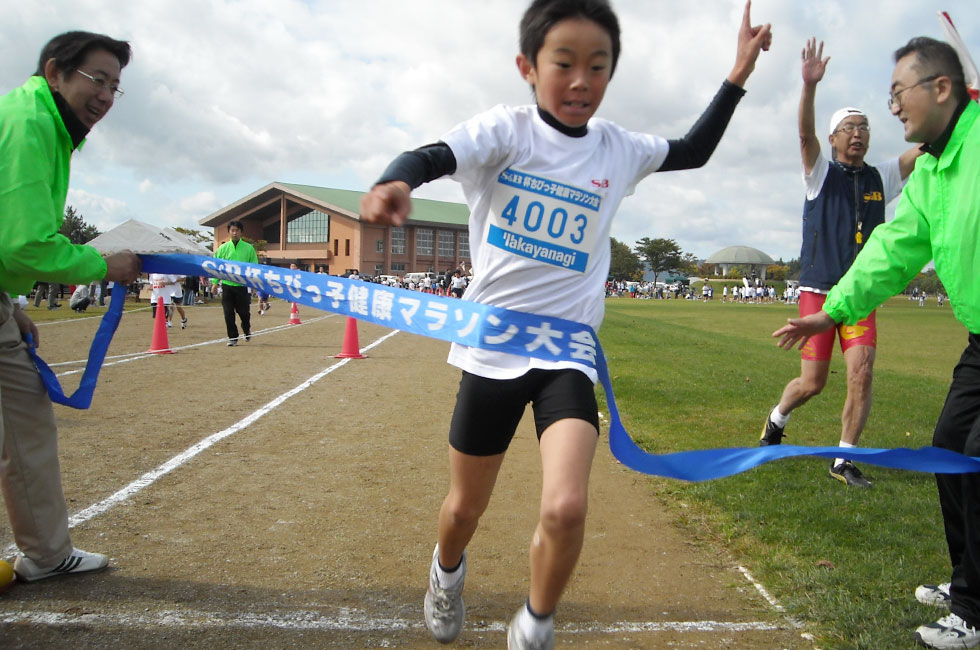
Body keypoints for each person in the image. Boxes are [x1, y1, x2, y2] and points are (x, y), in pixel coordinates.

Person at [359, 1, 770, 646]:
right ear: (529, 66)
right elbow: (431, 154)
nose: (582, 80)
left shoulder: (619, 149)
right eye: (565, 63)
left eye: (598, 66)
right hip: (491, 351)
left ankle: (537, 621)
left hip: (567, 352)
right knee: (465, 507)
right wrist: (394, 181)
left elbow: (691, 150)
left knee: (567, 506)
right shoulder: (507, 132)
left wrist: (738, 74)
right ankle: (446, 571)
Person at [773, 36, 979, 648]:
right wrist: (831, 309)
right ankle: (967, 578)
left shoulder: (923, 163)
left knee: (971, 450)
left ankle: (974, 606)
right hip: (958, 331)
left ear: (943, 88)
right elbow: (893, 250)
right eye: (873, 107)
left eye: (897, 95)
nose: (888, 113)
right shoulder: (926, 171)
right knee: (948, 446)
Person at [0, 31, 141, 582]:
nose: (106, 95)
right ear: (55, 71)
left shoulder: (50, 125)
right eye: (96, 80)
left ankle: (48, 552)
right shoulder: (30, 122)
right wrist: (102, 264)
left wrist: (9, 304)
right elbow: (24, 244)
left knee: (27, 420)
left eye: (115, 86)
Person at [759, 38, 923, 488]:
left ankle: (843, 459)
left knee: (863, 370)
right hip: (817, 291)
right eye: (850, 127)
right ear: (833, 139)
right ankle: (776, 418)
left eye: (865, 127)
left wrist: (959, 112)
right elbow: (803, 135)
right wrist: (809, 87)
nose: (859, 133)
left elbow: (925, 148)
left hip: (860, 296)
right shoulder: (819, 172)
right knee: (812, 384)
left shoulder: (881, 176)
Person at [212, 220, 257, 346]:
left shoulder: (249, 248)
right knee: (228, 313)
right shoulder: (223, 248)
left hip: (242, 287)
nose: (234, 232)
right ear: (229, 232)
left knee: (244, 313)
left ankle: (246, 329)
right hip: (227, 286)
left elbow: (254, 268)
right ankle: (232, 337)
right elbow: (216, 266)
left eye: (237, 230)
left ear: (241, 232)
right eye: (232, 230)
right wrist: (215, 283)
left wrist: (253, 284)